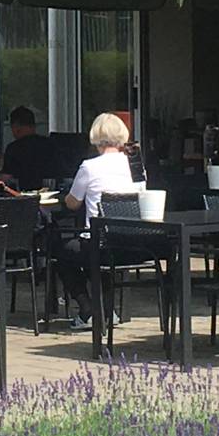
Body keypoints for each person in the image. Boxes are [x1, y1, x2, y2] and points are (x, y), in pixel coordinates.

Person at [52, 112, 135, 325]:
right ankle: (108, 310)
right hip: (131, 243)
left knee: (62, 252)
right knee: (93, 252)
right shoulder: (135, 166)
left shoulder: (89, 167)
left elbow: (73, 203)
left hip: (99, 243)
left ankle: (86, 308)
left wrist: (63, 196)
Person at [0, 105, 60, 192]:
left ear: (16, 128)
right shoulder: (51, 144)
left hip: (23, 195)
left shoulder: (13, 149)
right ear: (33, 125)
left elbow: (5, 179)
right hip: (51, 192)